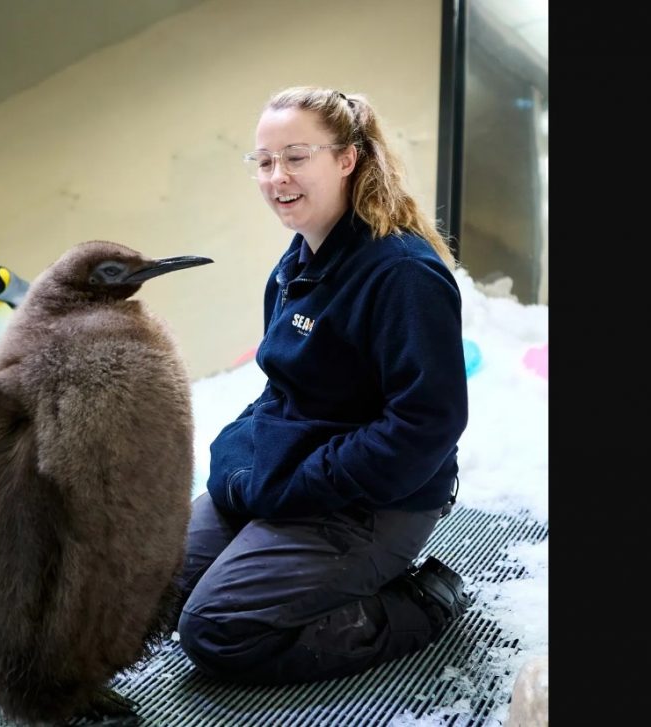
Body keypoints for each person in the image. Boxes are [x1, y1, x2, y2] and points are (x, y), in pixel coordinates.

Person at [174, 86, 471, 685]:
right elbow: (280, 391)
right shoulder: (296, 265)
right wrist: (239, 459)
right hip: (300, 479)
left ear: (347, 159)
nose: (276, 175)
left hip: (378, 499)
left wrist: (299, 485)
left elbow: (424, 426)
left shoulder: (403, 275)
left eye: (295, 156)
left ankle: (419, 604)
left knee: (217, 629)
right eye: (263, 161)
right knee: (150, 581)